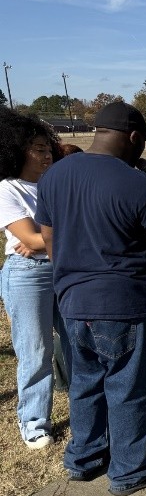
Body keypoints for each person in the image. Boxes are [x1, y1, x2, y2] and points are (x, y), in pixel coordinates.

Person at [36, 101, 146, 496]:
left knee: (85, 383)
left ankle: (84, 460)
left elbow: (50, 241)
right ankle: (129, 472)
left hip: (71, 301)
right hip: (125, 305)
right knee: (129, 389)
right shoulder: (138, 184)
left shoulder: (53, 176)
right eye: (142, 142)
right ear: (133, 138)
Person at [0, 107, 66, 449]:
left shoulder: (55, 185)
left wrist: (45, 239)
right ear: (17, 150)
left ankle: (87, 409)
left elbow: (44, 239)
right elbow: (31, 240)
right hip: (28, 276)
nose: (46, 155)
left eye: (48, 148)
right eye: (38, 149)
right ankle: (35, 422)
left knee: (75, 342)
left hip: (64, 268)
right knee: (36, 350)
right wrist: (42, 240)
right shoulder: (8, 190)